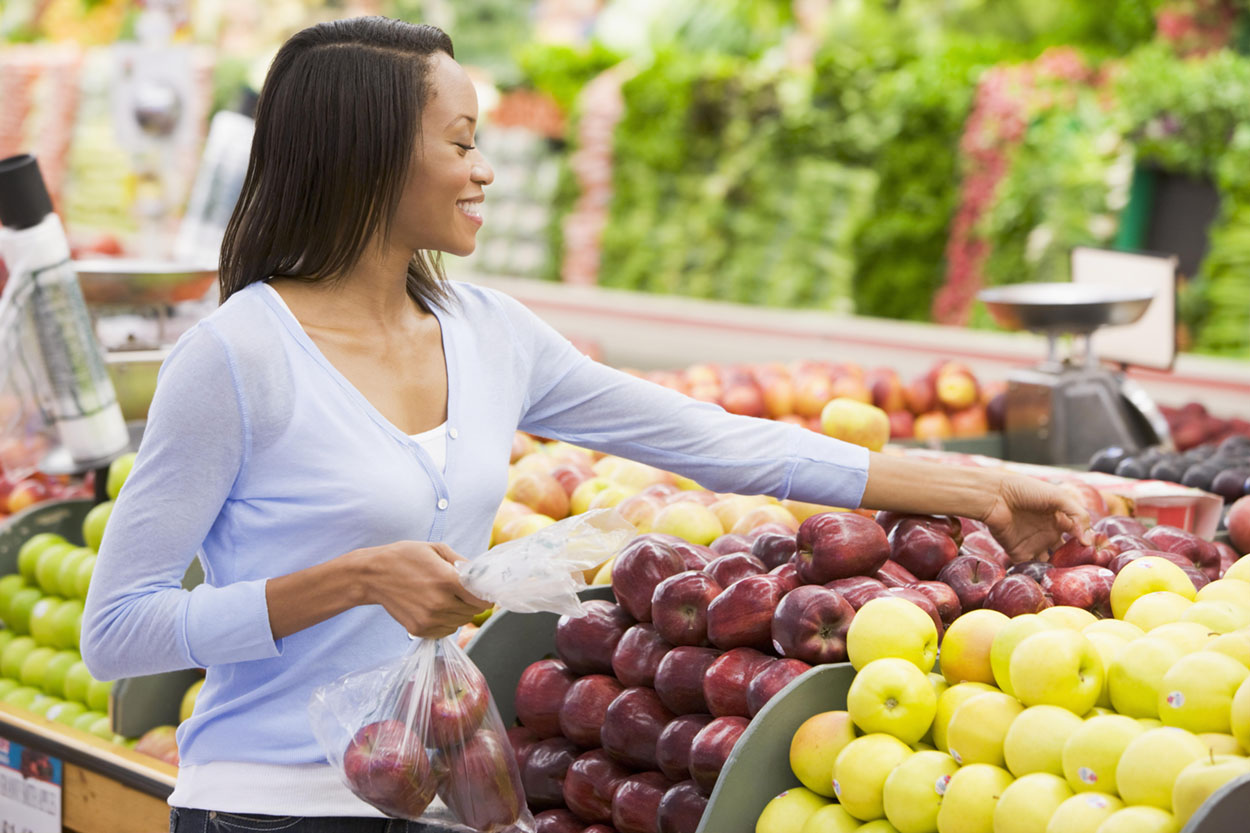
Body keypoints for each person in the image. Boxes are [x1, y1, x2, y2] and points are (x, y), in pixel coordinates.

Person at [80, 16, 1090, 833]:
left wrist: (986, 488)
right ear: (369, 153)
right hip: (269, 810)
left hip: (445, 796)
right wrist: (349, 579)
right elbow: (117, 631)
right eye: (462, 141)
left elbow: (727, 441)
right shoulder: (234, 355)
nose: (486, 169)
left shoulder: (488, 335)